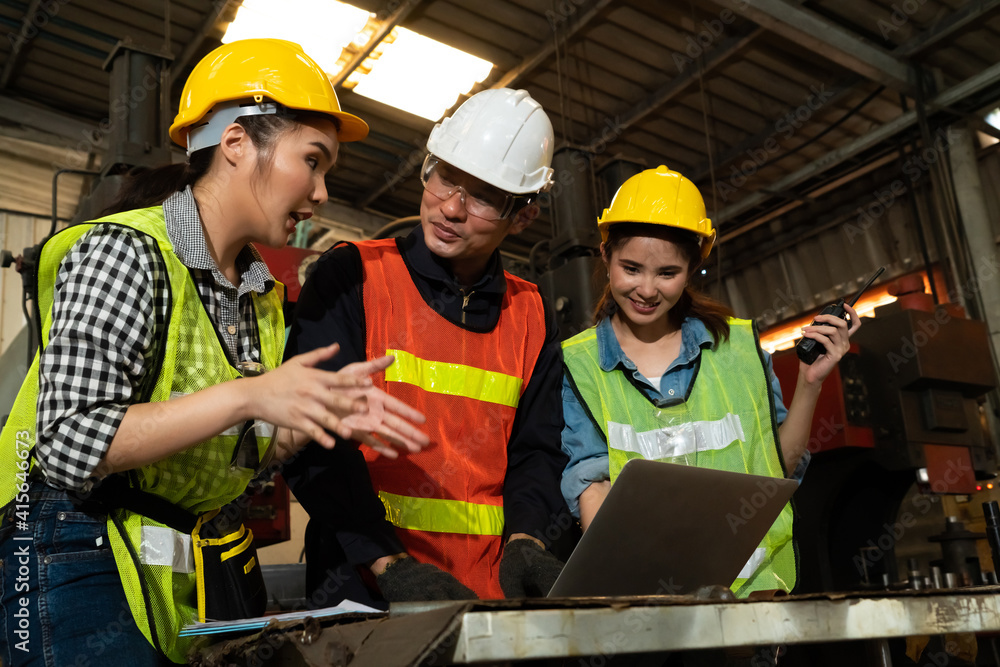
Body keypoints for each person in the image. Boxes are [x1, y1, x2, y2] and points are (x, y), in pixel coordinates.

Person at [0, 39, 429, 666]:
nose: (321, 191)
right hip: (72, 542)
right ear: (235, 143)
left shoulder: (258, 294)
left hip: (178, 558)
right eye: (312, 160)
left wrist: (300, 427)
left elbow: (230, 457)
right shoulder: (125, 252)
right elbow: (70, 441)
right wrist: (253, 394)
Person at [284, 88, 572, 604]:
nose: (452, 208)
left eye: (483, 196)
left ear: (523, 217)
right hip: (364, 585)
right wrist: (386, 564)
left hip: (490, 594)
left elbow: (538, 449)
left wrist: (528, 539)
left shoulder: (530, 313)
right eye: (445, 178)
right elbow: (311, 438)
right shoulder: (352, 276)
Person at [560, 165, 860, 597]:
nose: (646, 289)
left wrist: (810, 383)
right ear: (605, 256)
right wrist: (630, 581)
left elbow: (779, 468)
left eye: (667, 273)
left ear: (692, 269)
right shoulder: (581, 364)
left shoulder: (737, 348)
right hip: (648, 607)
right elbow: (591, 485)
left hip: (752, 601)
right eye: (631, 268)